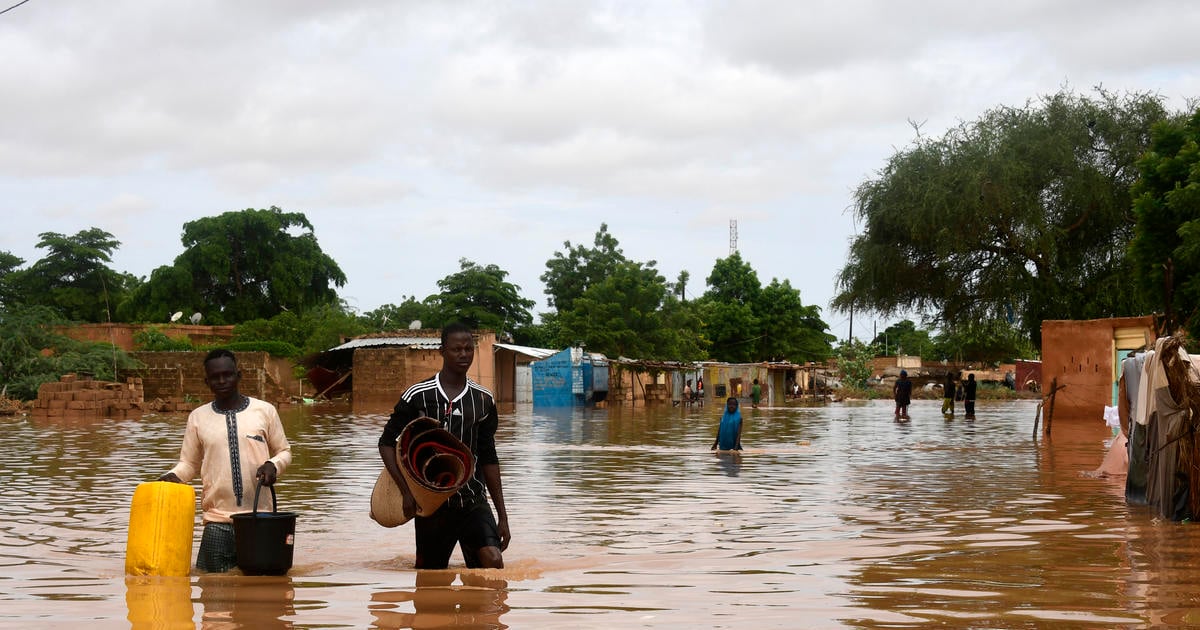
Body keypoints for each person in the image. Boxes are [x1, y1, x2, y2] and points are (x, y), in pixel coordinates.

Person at [378, 322, 510, 569]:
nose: (463, 354)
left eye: (468, 349)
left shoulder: (483, 399)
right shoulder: (418, 395)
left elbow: (489, 456)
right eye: (456, 349)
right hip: (431, 505)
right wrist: (406, 492)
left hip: (472, 499)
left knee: (493, 561)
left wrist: (503, 516)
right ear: (442, 351)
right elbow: (386, 443)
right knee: (429, 576)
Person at [159, 349, 292, 573]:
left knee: (263, 588)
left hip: (260, 519)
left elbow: (284, 451)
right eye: (215, 377)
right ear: (207, 382)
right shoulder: (198, 418)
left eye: (227, 375)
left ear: (238, 375)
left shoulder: (264, 411)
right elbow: (189, 464)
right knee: (212, 586)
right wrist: (173, 476)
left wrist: (273, 465)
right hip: (217, 521)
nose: (222, 381)